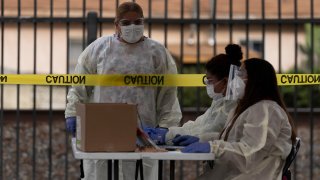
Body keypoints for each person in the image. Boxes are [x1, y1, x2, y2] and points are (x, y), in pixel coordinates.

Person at [64, 2, 182, 180]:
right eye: (126, 23)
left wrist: (166, 125)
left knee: (141, 173)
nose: (132, 27)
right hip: (102, 130)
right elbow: (80, 83)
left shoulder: (157, 52)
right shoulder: (99, 48)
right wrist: (73, 112)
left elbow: (168, 92)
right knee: (101, 173)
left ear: (143, 22)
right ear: (116, 24)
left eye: (137, 22)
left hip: (145, 133)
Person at [182, 58, 297, 180]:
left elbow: (250, 153)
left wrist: (214, 147)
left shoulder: (266, 111)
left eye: (241, 74)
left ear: (255, 80)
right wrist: (203, 140)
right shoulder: (249, 109)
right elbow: (233, 140)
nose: (235, 80)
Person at [144, 44, 243, 146]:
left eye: (210, 81)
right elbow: (200, 124)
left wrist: (169, 135)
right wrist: (169, 132)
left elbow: (210, 130)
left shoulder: (233, 105)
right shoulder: (220, 102)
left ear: (225, 81)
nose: (207, 85)